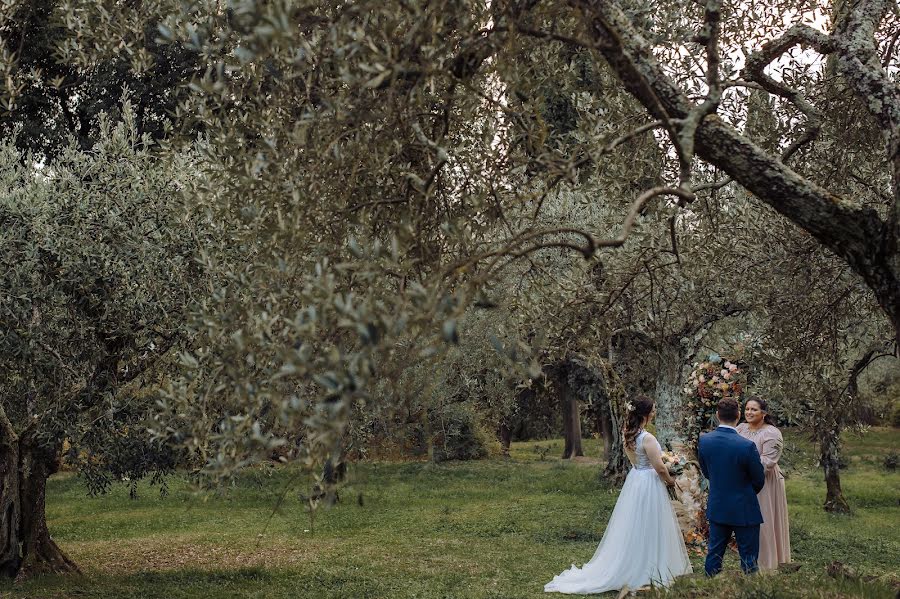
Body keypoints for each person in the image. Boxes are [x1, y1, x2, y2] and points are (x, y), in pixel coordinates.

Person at [545, 396, 692, 594]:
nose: (655, 412)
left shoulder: (628, 434)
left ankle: (637, 561)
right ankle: (648, 566)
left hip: (636, 480)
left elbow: (639, 461)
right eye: (653, 409)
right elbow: (659, 468)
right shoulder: (648, 438)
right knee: (650, 523)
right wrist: (671, 479)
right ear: (645, 414)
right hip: (649, 483)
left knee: (635, 524)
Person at [698, 397, 765, 576]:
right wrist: (745, 492)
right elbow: (758, 479)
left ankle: (708, 589)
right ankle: (750, 592)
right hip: (744, 507)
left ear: (717, 415)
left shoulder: (704, 441)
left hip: (718, 504)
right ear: (737, 416)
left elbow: (706, 472)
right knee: (749, 558)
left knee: (714, 553)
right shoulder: (747, 446)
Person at [737, 396, 791, 571]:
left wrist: (742, 467)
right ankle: (750, 561)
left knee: (764, 520)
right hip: (744, 480)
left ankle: (767, 563)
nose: (749, 412)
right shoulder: (740, 429)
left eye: (754, 409)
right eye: (747, 409)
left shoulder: (772, 433)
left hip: (766, 482)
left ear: (764, 413)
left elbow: (768, 461)